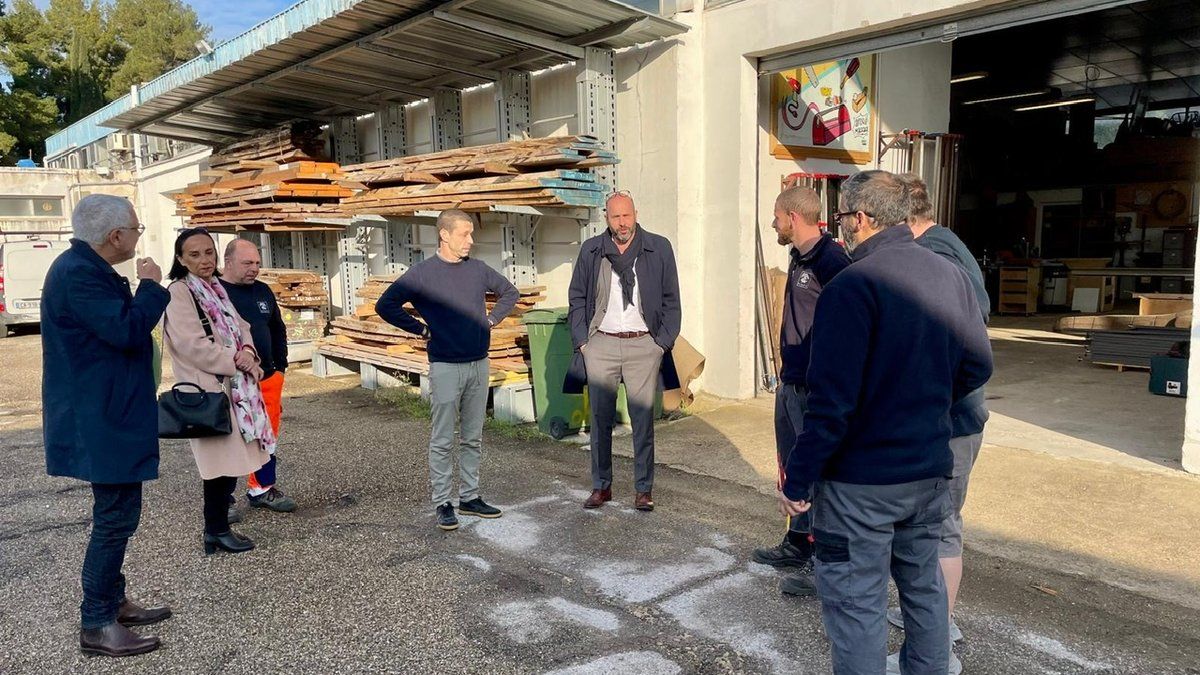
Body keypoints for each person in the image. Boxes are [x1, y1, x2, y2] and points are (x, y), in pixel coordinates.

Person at [778, 170, 993, 674]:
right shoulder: (949, 275)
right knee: (923, 591)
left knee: (857, 605)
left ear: (862, 218)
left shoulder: (852, 286)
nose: (843, 228)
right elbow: (978, 365)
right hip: (927, 471)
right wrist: (924, 405)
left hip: (861, 485)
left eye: (845, 218)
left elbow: (832, 404)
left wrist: (799, 474)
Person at [42, 195, 171, 657]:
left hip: (108, 410)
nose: (138, 236)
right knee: (114, 520)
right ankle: (96, 621)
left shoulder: (84, 268)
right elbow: (126, 330)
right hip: (99, 416)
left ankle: (113, 601)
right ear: (115, 236)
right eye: (135, 229)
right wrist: (152, 287)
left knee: (117, 514)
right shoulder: (78, 274)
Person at [882, 174, 992, 672]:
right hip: (952, 416)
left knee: (940, 526)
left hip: (952, 420)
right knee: (938, 526)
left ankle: (936, 647)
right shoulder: (948, 249)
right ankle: (934, 624)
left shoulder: (941, 259)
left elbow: (961, 348)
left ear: (905, 217)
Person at [376, 210, 519, 531]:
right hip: (444, 366)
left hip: (479, 364)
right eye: (464, 234)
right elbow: (385, 305)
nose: (471, 240)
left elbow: (511, 292)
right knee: (442, 439)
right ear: (444, 235)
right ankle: (443, 502)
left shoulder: (478, 270)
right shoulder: (423, 274)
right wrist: (420, 330)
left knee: (472, 437)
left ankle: (469, 497)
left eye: (471, 234)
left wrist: (492, 319)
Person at [751, 186, 850, 598]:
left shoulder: (833, 260)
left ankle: (823, 562)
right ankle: (797, 542)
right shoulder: (797, 257)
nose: (773, 222)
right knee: (792, 468)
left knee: (819, 475)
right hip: (790, 382)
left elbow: (848, 324)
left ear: (793, 216)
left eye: (776, 215)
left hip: (814, 387)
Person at [564, 191, 682, 512]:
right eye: (615, 217)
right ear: (607, 218)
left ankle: (643, 490)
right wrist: (583, 344)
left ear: (635, 214)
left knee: (642, 420)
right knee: (600, 419)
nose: (622, 223)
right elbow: (576, 298)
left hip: (644, 344)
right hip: (601, 343)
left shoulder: (658, 248)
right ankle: (602, 487)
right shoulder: (592, 250)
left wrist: (662, 344)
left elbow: (672, 299)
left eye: (626, 216)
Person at [162, 228, 274, 555]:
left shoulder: (215, 288)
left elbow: (242, 326)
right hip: (209, 390)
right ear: (180, 259)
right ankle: (216, 530)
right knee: (219, 465)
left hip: (235, 389)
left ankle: (218, 528)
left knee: (230, 463)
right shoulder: (180, 292)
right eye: (194, 255)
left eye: (208, 252)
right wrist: (235, 360)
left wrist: (249, 353)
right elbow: (190, 345)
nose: (204, 260)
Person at [220, 239, 297, 515]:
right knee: (228, 438)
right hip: (232, 380)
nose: (254, 269)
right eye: (247, 263)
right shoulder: (215, 293)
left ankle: (262, 488)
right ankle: (222, 499)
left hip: (269, 378)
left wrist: (281, 366)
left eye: (257, 263)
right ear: (228, 262)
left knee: (267, 436)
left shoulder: (263, 291)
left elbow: (277, 328)